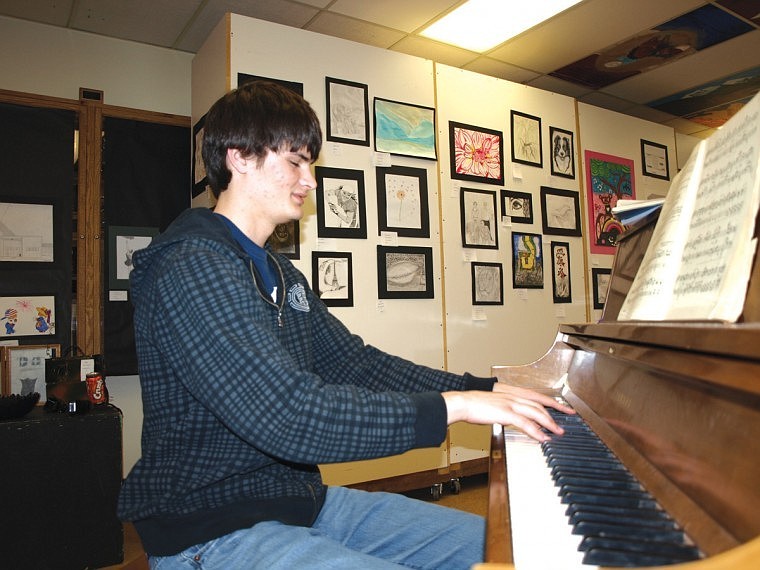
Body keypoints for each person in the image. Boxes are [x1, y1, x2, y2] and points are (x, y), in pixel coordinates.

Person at [117, 81, 573, 570]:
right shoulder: (191, 266)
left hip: (299, 503)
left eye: (309, 163)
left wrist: (485, 389)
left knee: (510, 547)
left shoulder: (279, 272)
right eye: (295, 161)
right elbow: (287, 415)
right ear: (240, 158)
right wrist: (454, 407)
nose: (310, 180)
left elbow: (355, 365)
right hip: (211, 528)